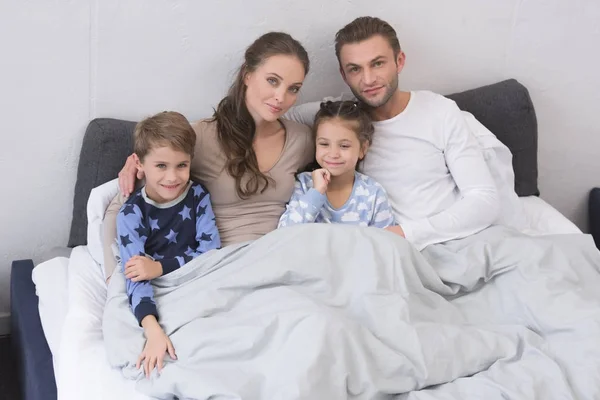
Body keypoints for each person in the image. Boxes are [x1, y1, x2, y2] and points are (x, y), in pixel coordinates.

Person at [105, 31, 314, 282]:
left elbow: (343, 132)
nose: (281, 97)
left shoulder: (302, 139)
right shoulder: (201, 137)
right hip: (220, 270)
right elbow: (120, 208)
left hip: (282, 265)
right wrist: (111, 278)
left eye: (293, 89)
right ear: (247, 74)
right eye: (272, 81)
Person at [285, 16, 500, 250]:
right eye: (355, 69)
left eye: (377, 63)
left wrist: (404, 233)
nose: (368, 80)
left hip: (451, 243)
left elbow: (484, 200)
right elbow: (276, 115)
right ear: (344, 75)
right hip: (386, 252)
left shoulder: (439, 111)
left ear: (399, 61)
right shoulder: (339, 118)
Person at [116, 111, 221, 378]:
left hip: (192, 277)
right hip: (153, 289)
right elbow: (136, 276)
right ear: (139, 164)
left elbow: (211, 251)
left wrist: (160, 267)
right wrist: (152, 329)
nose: (172, 177)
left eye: (181, 165)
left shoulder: (197, 195)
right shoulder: (131, 214)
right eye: (161, 166)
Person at [278, 100, 394, 228]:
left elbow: (387, 242)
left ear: (363, 149)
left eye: (344, 146)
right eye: (324, 144)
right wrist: (316, 192)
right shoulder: (304, 185)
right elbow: (285, 233)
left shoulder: (373, 193)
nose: (333, 154)